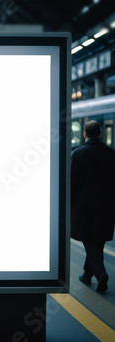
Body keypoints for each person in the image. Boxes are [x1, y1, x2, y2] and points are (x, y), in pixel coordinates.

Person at [71, 120, 115, 293]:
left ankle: (100, 273)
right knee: (98, 240)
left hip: (84, 206)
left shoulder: (78, 153)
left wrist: (70, 205)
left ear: (84, 134)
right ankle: (87, 274)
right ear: (101, 134)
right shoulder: (112, 154)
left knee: (89, 240)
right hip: (106, 206)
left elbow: (72, 183)